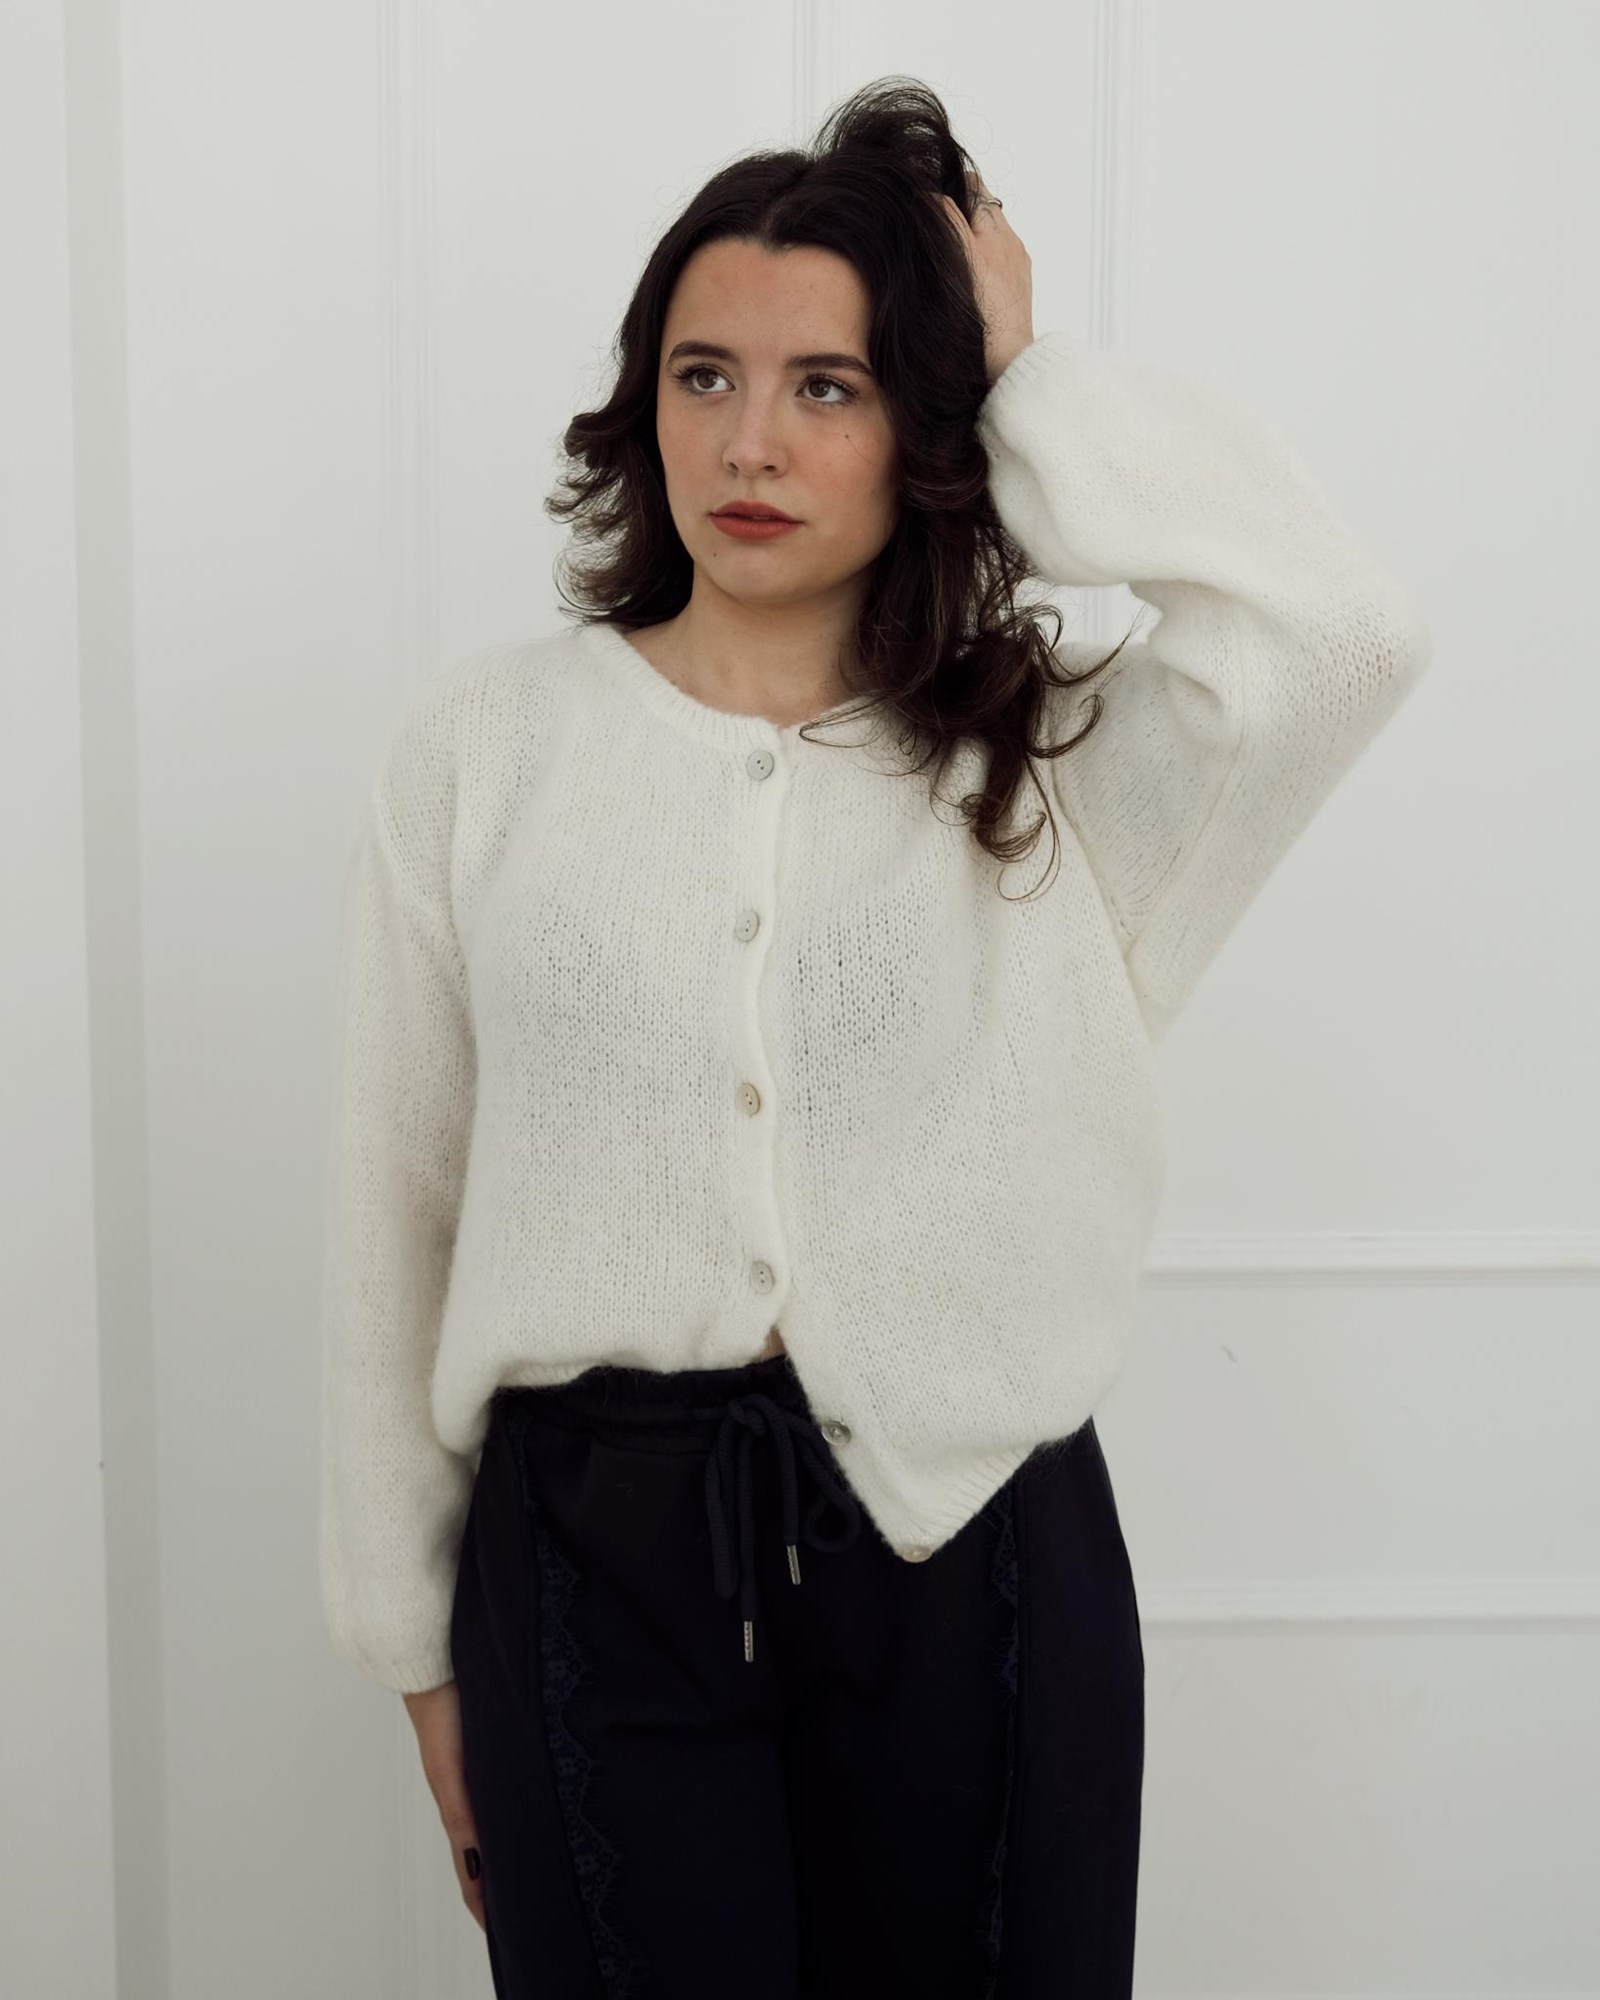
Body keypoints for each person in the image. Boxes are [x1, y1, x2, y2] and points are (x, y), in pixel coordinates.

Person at [317, 77, 1430, 2000]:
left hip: (973, 1556)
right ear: (644, 405)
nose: (749, 441)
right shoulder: (484, 754)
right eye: (705, 376)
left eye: (827, 386)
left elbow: (1341, 635)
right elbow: (393, 1206)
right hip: (586, 1569)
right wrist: (416, 1655)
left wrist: (1029, 375)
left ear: (924, 421)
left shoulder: (1055, 762)